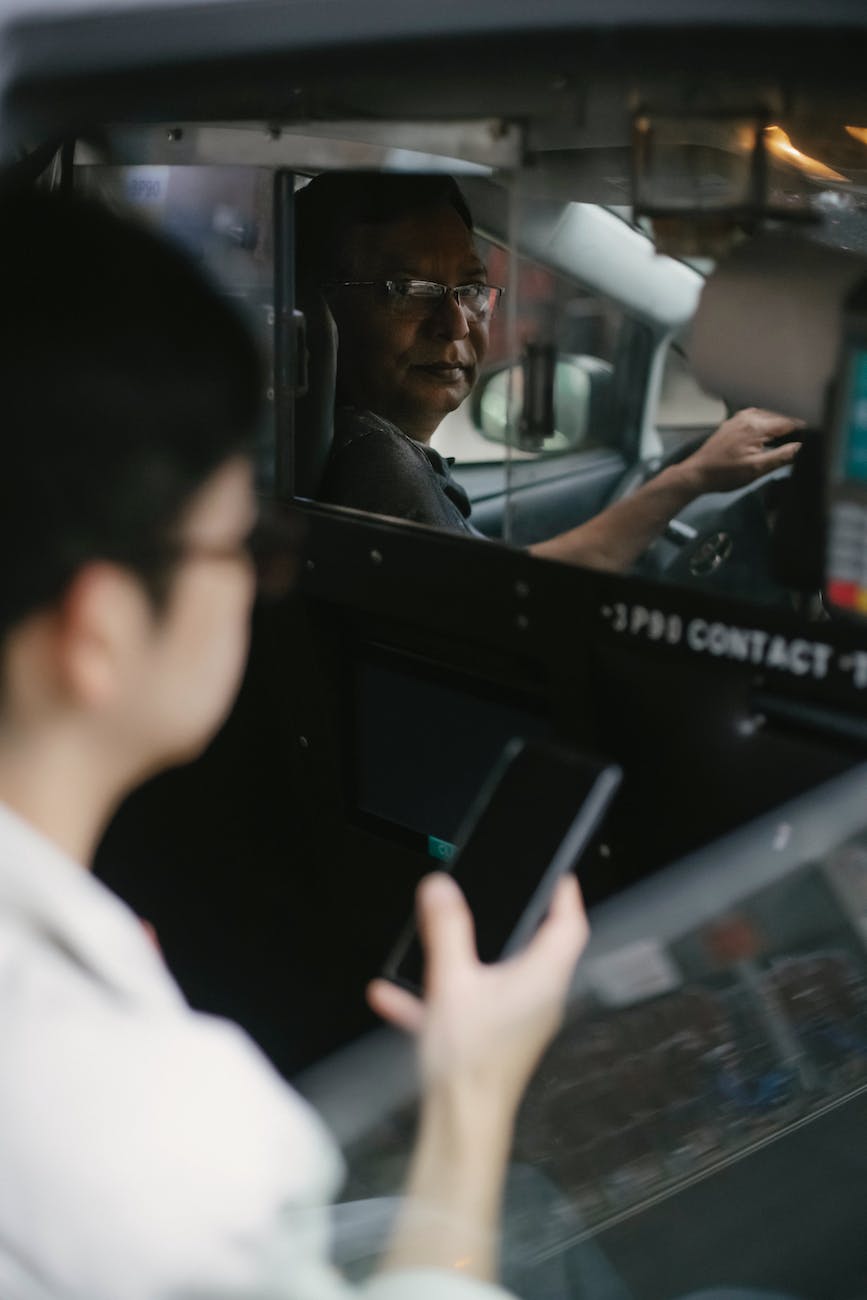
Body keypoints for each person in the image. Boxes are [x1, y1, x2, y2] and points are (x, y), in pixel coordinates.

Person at [0, 186, 590, 1300]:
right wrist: (470, 1094)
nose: (266, 579)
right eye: (249, 541)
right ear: (101, 627)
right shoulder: (169, 1138)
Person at [296, 173, 803, 570]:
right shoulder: (376, 463)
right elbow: (520, 600)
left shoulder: (339, 449)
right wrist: (690, 477)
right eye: (406, 289)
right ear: (317, 313)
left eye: (471, 289)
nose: (454, 324)